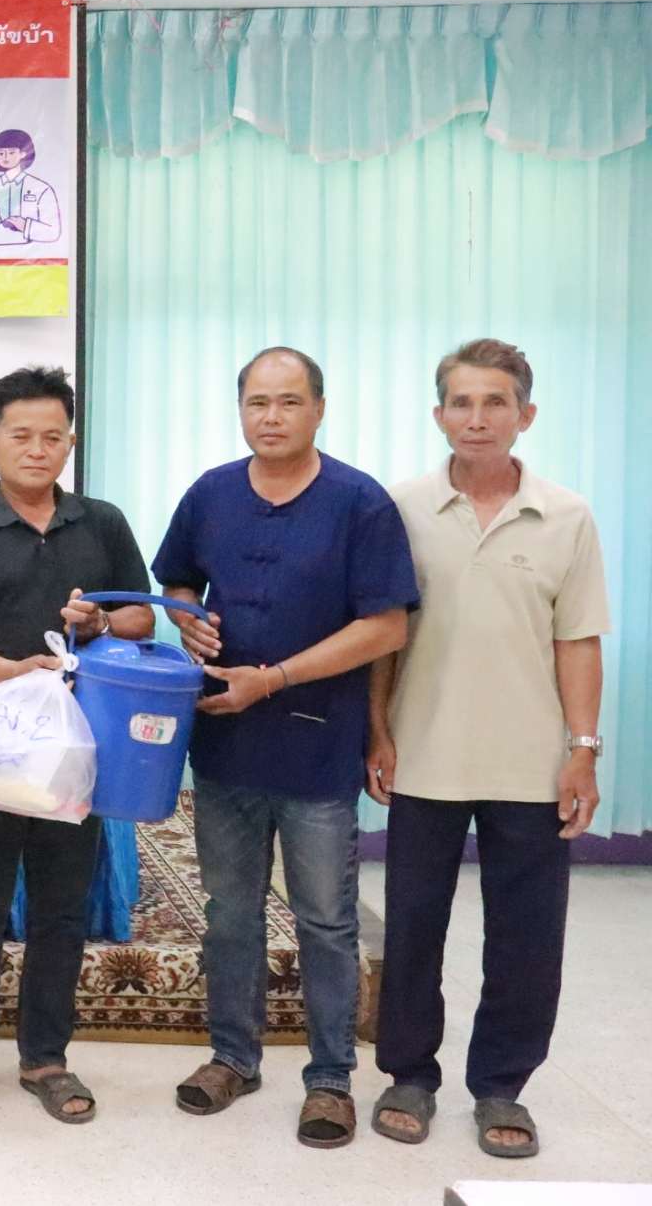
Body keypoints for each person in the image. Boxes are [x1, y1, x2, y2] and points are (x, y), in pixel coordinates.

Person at [152, 346, 418, 1149]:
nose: (271, 416)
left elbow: (386, 626)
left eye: (289, 401)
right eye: (257, 402)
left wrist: (275, 678)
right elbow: (176, 578)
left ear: (319, 409)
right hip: (226, 742)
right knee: (229, 912)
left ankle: (330, 1078)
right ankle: (233, 1057)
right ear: (241, 410)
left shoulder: (359, 503)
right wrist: (185, 616)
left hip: (318, 747)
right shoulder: (211, 492)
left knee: (326, 920)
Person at [366, 339, 608, 1158]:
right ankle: (408, 1073)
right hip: (424, 752)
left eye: (495, 402)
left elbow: (578, 639)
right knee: (413, 928)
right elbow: (385, 633)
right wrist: (378, 728)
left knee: (527, 937)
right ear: (439, 414)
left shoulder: (566, 515)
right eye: (462, 403)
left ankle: (502, 1084)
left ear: (525, 415)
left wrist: (582, 749)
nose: (478, 418)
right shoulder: (400, 508)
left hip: (530, 764)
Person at [0, 366, 153, 1131]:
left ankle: (46, 1058)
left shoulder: (102, 523)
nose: (37, 449)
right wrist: (9, 672)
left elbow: (142, 617)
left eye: (52, 436)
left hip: (73, 758)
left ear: (70, 443)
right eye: (21, 435)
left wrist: (102, 622)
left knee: (60, 913)